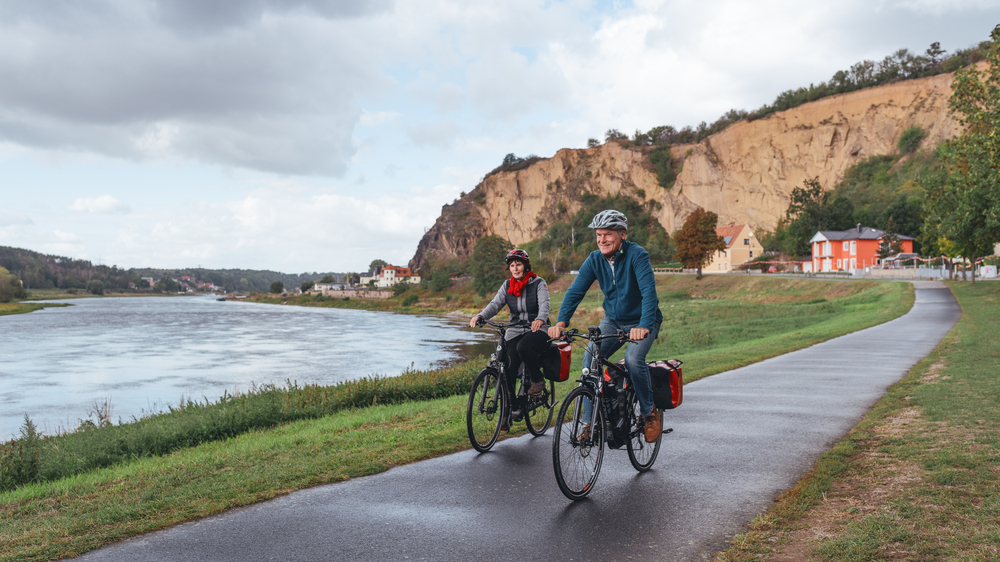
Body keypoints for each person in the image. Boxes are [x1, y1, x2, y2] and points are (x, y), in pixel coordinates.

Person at [548, 210, 664, 442]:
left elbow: (648, 293)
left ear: (622, 234)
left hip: (643, 320)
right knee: (590, 358)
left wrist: (644, 325)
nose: (602, 240)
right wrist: (560, 322)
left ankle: (648, 412)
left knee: (633, 360)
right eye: (599, 235)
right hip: (612, 321)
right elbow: (575, 291)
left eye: (608, 234)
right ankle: (590, 423)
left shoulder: (637, 255)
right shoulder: (594, 259)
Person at [470, 249, 552, 403]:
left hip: (537, 328)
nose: (515, 268)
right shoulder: (507, 285)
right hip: (515, 329)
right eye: (512, 265)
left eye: (518, 264)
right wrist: (481, 316)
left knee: (524, 347)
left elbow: (544, 304)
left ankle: (537, 380)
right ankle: (510, 406)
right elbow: (495, 304)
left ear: (525, 266)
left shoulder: (538, 283)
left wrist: (540, 319)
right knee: (508, 364)